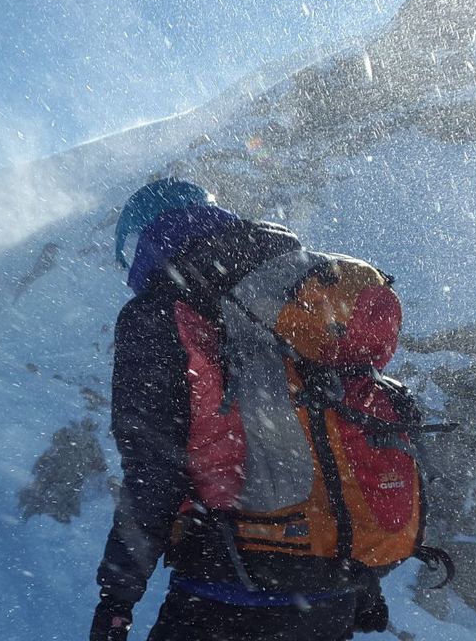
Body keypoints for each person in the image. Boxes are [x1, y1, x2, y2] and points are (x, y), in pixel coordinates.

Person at [90, 179, 388, 641]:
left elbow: (153, 471)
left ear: (147, 239)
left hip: (228, 587)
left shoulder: (159, 314)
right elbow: (336, 431)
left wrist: (116, 598)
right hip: (329, 592)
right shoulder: (294, 287)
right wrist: (363, 583)